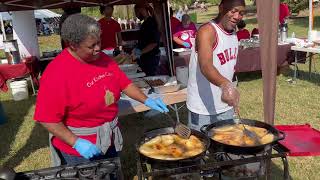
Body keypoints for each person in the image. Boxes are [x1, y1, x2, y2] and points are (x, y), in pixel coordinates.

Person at [34, 14, 169, 166]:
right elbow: (47, 119)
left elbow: (123, 83)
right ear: (72, 44)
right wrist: (76, 142)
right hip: (80, 149)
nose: (98, 48)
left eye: (99, 42)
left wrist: (146, 99)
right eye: (91, 46)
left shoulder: (102, 58)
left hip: (109, 137)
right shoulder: (56, 73)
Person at [187, 0, 245, 131]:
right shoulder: (207, 31)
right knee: (202, 148)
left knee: (226, 145)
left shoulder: (233, 31)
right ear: (221, 8)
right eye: (233, 11)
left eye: (241, 13)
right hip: (202, 107)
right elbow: (206, 66)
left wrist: (231, 90)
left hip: (224, 105)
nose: (237, 16)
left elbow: (228, 66)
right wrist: (226, 85)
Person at [132, 3, 161, 76]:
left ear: (141, 10)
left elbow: (153, 43)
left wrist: (140, 52)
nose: (136, 16)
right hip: (146, 58)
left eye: (136, 13)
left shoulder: (150, 23)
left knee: (150, 79)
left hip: (151, 59)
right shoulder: (145, 23)